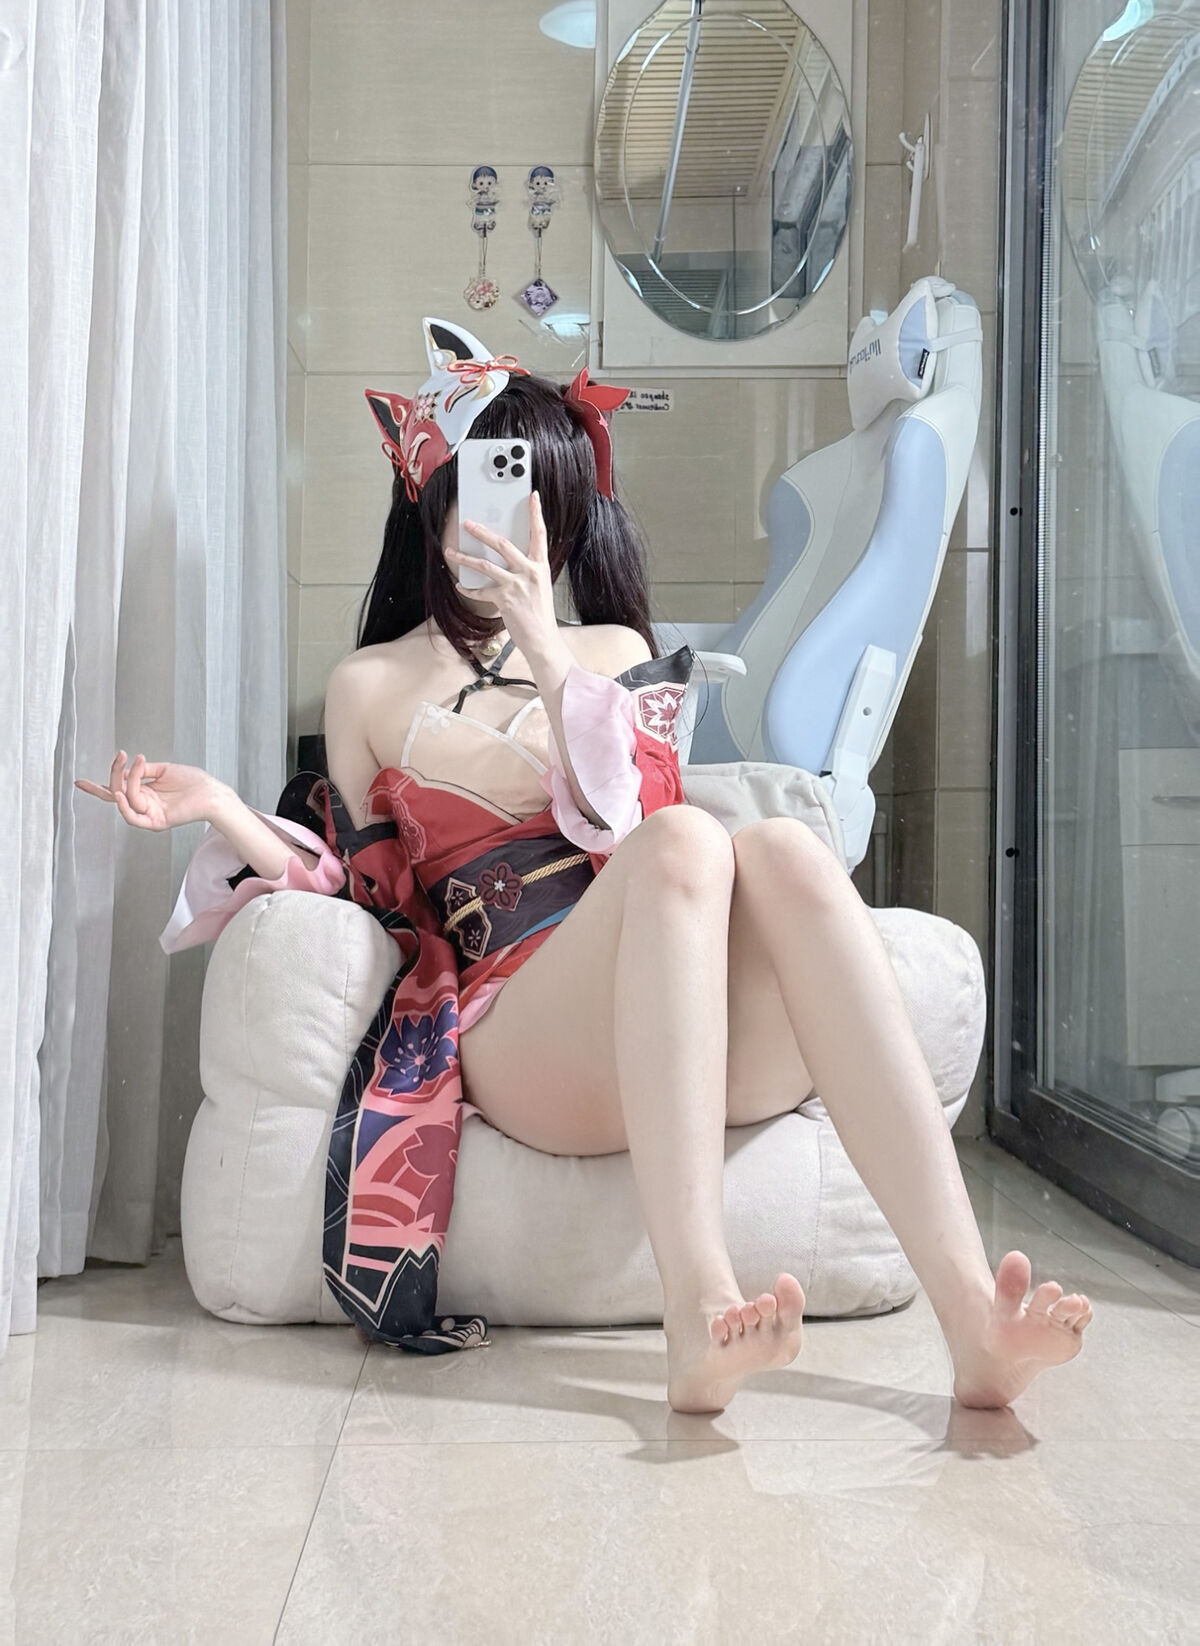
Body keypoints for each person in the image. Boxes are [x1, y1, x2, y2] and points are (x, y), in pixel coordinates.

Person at [76, 318, 1092, 1415]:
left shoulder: (608, 652)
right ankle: (698, 1312)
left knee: (787, 851)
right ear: (435, 498)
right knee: (691, 842)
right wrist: (221, 807)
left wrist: (546, 648)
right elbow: (366, 892)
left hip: (681, 1014)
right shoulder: (367, 683)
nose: (525, 526)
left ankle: (973, 1323)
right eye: (495, 491)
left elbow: (630, 816)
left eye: (548, 504)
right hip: (524, 1035)